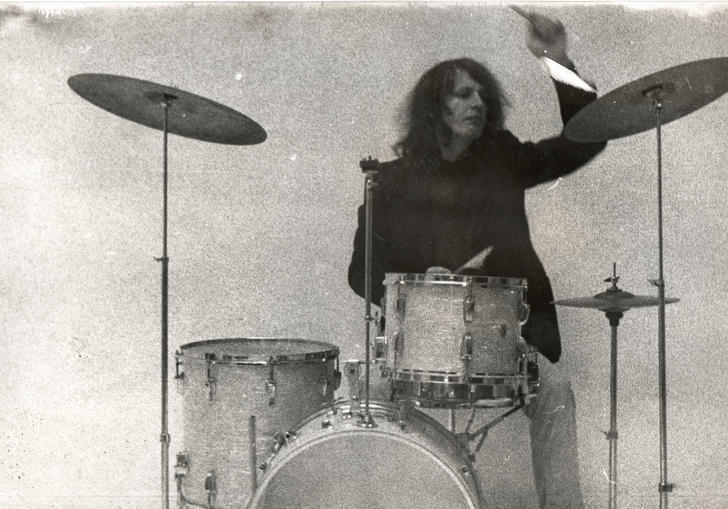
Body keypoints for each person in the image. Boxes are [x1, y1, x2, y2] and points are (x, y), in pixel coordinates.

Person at [347, 11, 606, 509]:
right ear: (435, 110)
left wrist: (557, 59)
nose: (479, 102)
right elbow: (361, 272)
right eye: (463, 94)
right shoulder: (390, 183)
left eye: (482, 93)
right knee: (366, 399)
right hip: (413, 346)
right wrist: (417, 282)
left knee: (555, 390)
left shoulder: (502, 160)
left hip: (510, 341)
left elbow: (585, 141)